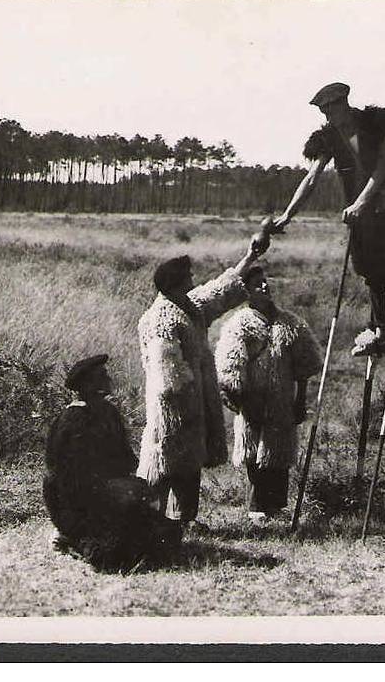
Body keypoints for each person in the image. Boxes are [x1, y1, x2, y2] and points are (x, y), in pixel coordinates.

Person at [273, 82, 385, 357]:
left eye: (331, 110)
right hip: (362, 215)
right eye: (324, 112)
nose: (328, 117)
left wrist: (362, 201)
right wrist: (288, 215)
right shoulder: (328, 137)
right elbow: (312, 177)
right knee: (371, 271)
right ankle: (380, 332)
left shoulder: (377, 123)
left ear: (344, 104)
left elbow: (384, 165)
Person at [136, 237, 264, 529]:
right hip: (171, 405)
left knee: (188, 461)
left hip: (193, 401)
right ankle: (148, 519)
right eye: (189, 277)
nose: (194, 280)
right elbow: (166, 368)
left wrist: (249, 257)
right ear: (177, 283)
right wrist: (185, 403)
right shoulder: (161, 318)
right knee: (162, 460)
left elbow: (219, 292)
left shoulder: (189, 307)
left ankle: (183, 519)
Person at [44, 354, 180, 571]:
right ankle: (71, 538)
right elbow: (67, 478)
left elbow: (124, 458)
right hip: (78, 503)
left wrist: (133, 487)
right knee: (112, 557)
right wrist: (113, 491)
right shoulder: (73, 419)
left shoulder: (107, 412)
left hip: (108, 496)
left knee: (168, 536)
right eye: (102, 376)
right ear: (88, 384)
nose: (108, 379)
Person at [214, 266, 323, 523]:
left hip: (282, 398)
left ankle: (276, 505)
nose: (264, 287)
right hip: (253, 398)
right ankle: (256, 506)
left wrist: (300, 399)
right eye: (257, 285)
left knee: (279, 451)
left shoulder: (290, 322)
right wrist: (236, 396)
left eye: (265, 282)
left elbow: (305, 364)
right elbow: (229, 364)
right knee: (254, 450)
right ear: (247, 293)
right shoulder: (239, 324)